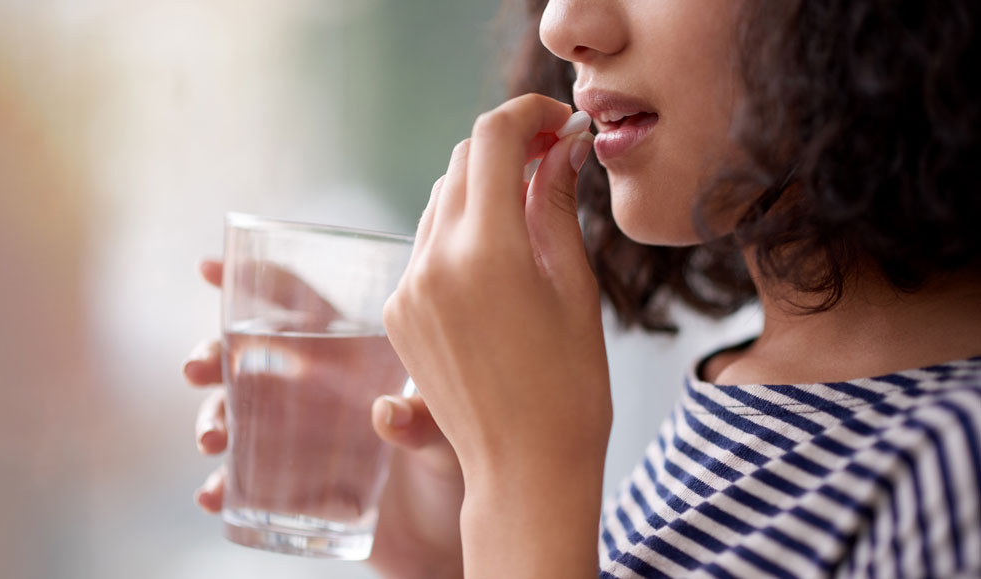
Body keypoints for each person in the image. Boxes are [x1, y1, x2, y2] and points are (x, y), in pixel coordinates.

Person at [183, 0, 981, 576]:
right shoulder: (744, 395)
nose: (561, 25)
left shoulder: (955, 475)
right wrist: (446, 540)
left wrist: (521, 483)